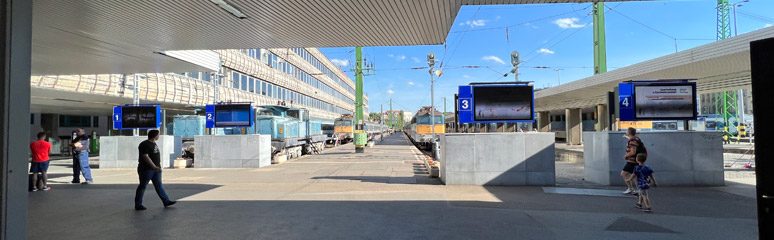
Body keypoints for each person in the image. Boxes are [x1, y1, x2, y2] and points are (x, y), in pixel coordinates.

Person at [135, 130, 176, 210]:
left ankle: (166, 201)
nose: (159, 136)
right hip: (146, 169)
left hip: (156, 169)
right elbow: (145, 157)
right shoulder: (144, 144)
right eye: (158, 135)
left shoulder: (154, 143)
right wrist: (153, 166)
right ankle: (138, 204)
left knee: (159, 185)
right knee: (143, 186)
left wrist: (157, 167)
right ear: (155, 136)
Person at [622, 127, 646, 195]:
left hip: (632, 161)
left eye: (627, 131)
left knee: (623, 173)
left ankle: (630, 188)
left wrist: (626, 155)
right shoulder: (636, 139)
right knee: (635, 175)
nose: (626, 132)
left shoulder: (632, 141)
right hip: (636, 160)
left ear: (629, 132)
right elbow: (632, 141)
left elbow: (633, 152)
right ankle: (638, 190)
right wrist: (626, 137)